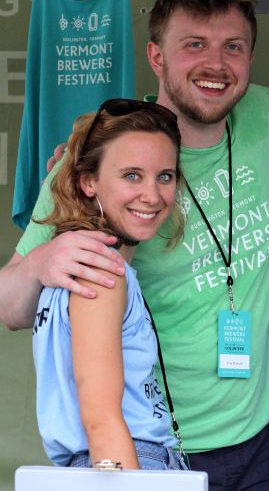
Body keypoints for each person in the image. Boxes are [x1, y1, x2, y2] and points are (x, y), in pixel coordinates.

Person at [1, 0, 269, 491]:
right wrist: (42, 264)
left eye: (233, 47)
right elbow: (11, 308)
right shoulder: (99, 157)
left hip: (257, 439)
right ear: (156, 56)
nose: (215, 64)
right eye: (194, 44)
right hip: (153, 451)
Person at [33, 99, 186, 470]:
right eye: (132, 175)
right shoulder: (102, 274)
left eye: (164, 176)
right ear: (89, 182)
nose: (152, 195)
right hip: (124, 461)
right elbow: (101, 421)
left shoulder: (75, 264)